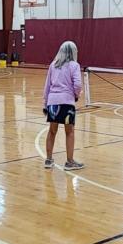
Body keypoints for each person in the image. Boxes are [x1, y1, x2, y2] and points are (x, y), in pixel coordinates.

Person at [43, 41, 84, 171]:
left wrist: (45, 103)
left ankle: (48, 160)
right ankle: (70, 162)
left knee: (52, 131)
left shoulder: (53, 65)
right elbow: (77, 85)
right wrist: (76, 95)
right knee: (69, 132)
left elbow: (47, 86)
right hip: (66, 102)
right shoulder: (74, 65)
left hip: (53, 102)